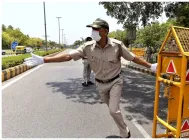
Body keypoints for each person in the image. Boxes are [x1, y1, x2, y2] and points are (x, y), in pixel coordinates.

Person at [24, 18, 157, 138]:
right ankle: (124, 127)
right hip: (100, 84)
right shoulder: (87, 47)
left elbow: (132, 58)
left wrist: (150, 66)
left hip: (116, 81)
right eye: (92, 29)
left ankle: (124, 132)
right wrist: (44, 60)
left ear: (105, 31)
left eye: (96, 29)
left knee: (113, 110)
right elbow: (68, 56)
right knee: (112, 109)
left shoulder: (117, 45)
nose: (93, 32)